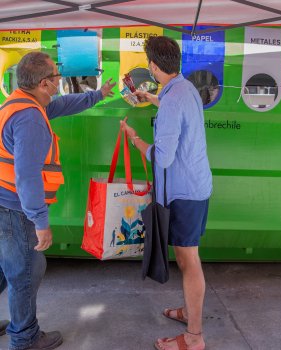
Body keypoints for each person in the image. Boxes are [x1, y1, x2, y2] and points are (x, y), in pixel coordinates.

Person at [0, 51, 116, 350]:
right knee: (25, 272)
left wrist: (97, 95)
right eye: (56, 77)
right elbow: (27, 178)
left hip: (5, 203)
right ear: (43, 84)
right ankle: (24, 339)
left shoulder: (21, 103)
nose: (60, 80)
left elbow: (62, 105)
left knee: (5, 268)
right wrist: (40, 221)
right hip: (16, 209)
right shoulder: (30, 120)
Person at [120, 36, 212, 350]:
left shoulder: (174, 98)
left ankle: (194, 336)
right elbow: (174, 110)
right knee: (189, 258)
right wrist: (151, 98)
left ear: (154, 66)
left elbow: (163, 156)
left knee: (188, 261)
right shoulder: (184, 89)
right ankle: (190, 311)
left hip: (183, 192)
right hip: (197, 186)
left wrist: (134, 139)